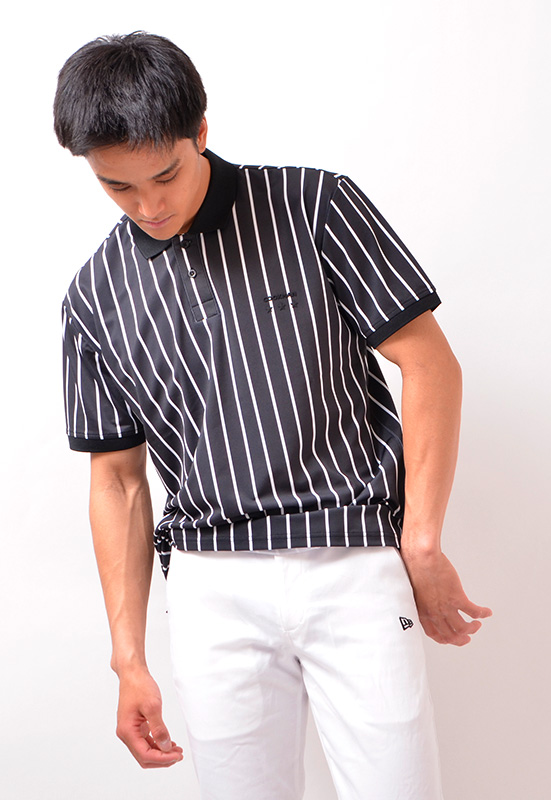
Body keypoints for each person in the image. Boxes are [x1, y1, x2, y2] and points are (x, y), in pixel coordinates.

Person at [55, 31, 491, 800]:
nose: (149, 206)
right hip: (210, 590)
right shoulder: (93, 297)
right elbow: (118, 480)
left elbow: (429, 364)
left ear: (201, 130)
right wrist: (128, 659)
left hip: (350, 561)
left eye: (165, 175)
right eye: (118, 188)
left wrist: (421, 542)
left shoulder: (315, 207)